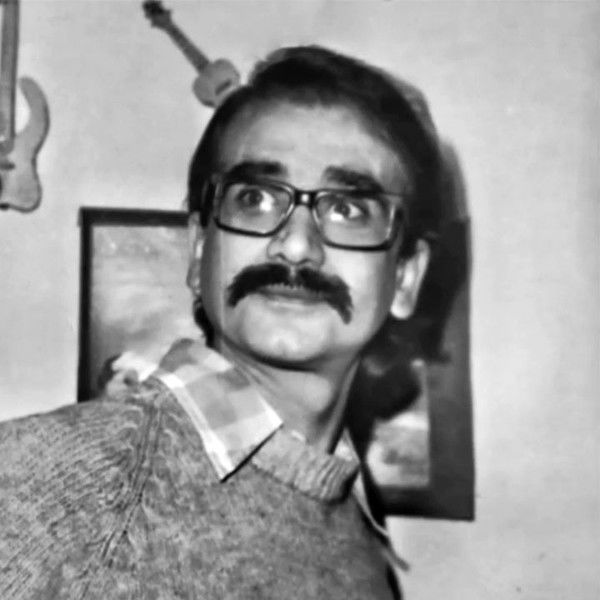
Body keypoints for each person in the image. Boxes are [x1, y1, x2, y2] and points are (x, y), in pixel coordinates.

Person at [0, 46, 442, 599]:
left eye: (348, 209)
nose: (296, 245)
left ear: (405, 277)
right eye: (255, 198)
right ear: (198, 250)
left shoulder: (357, 544)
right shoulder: (40, 485)